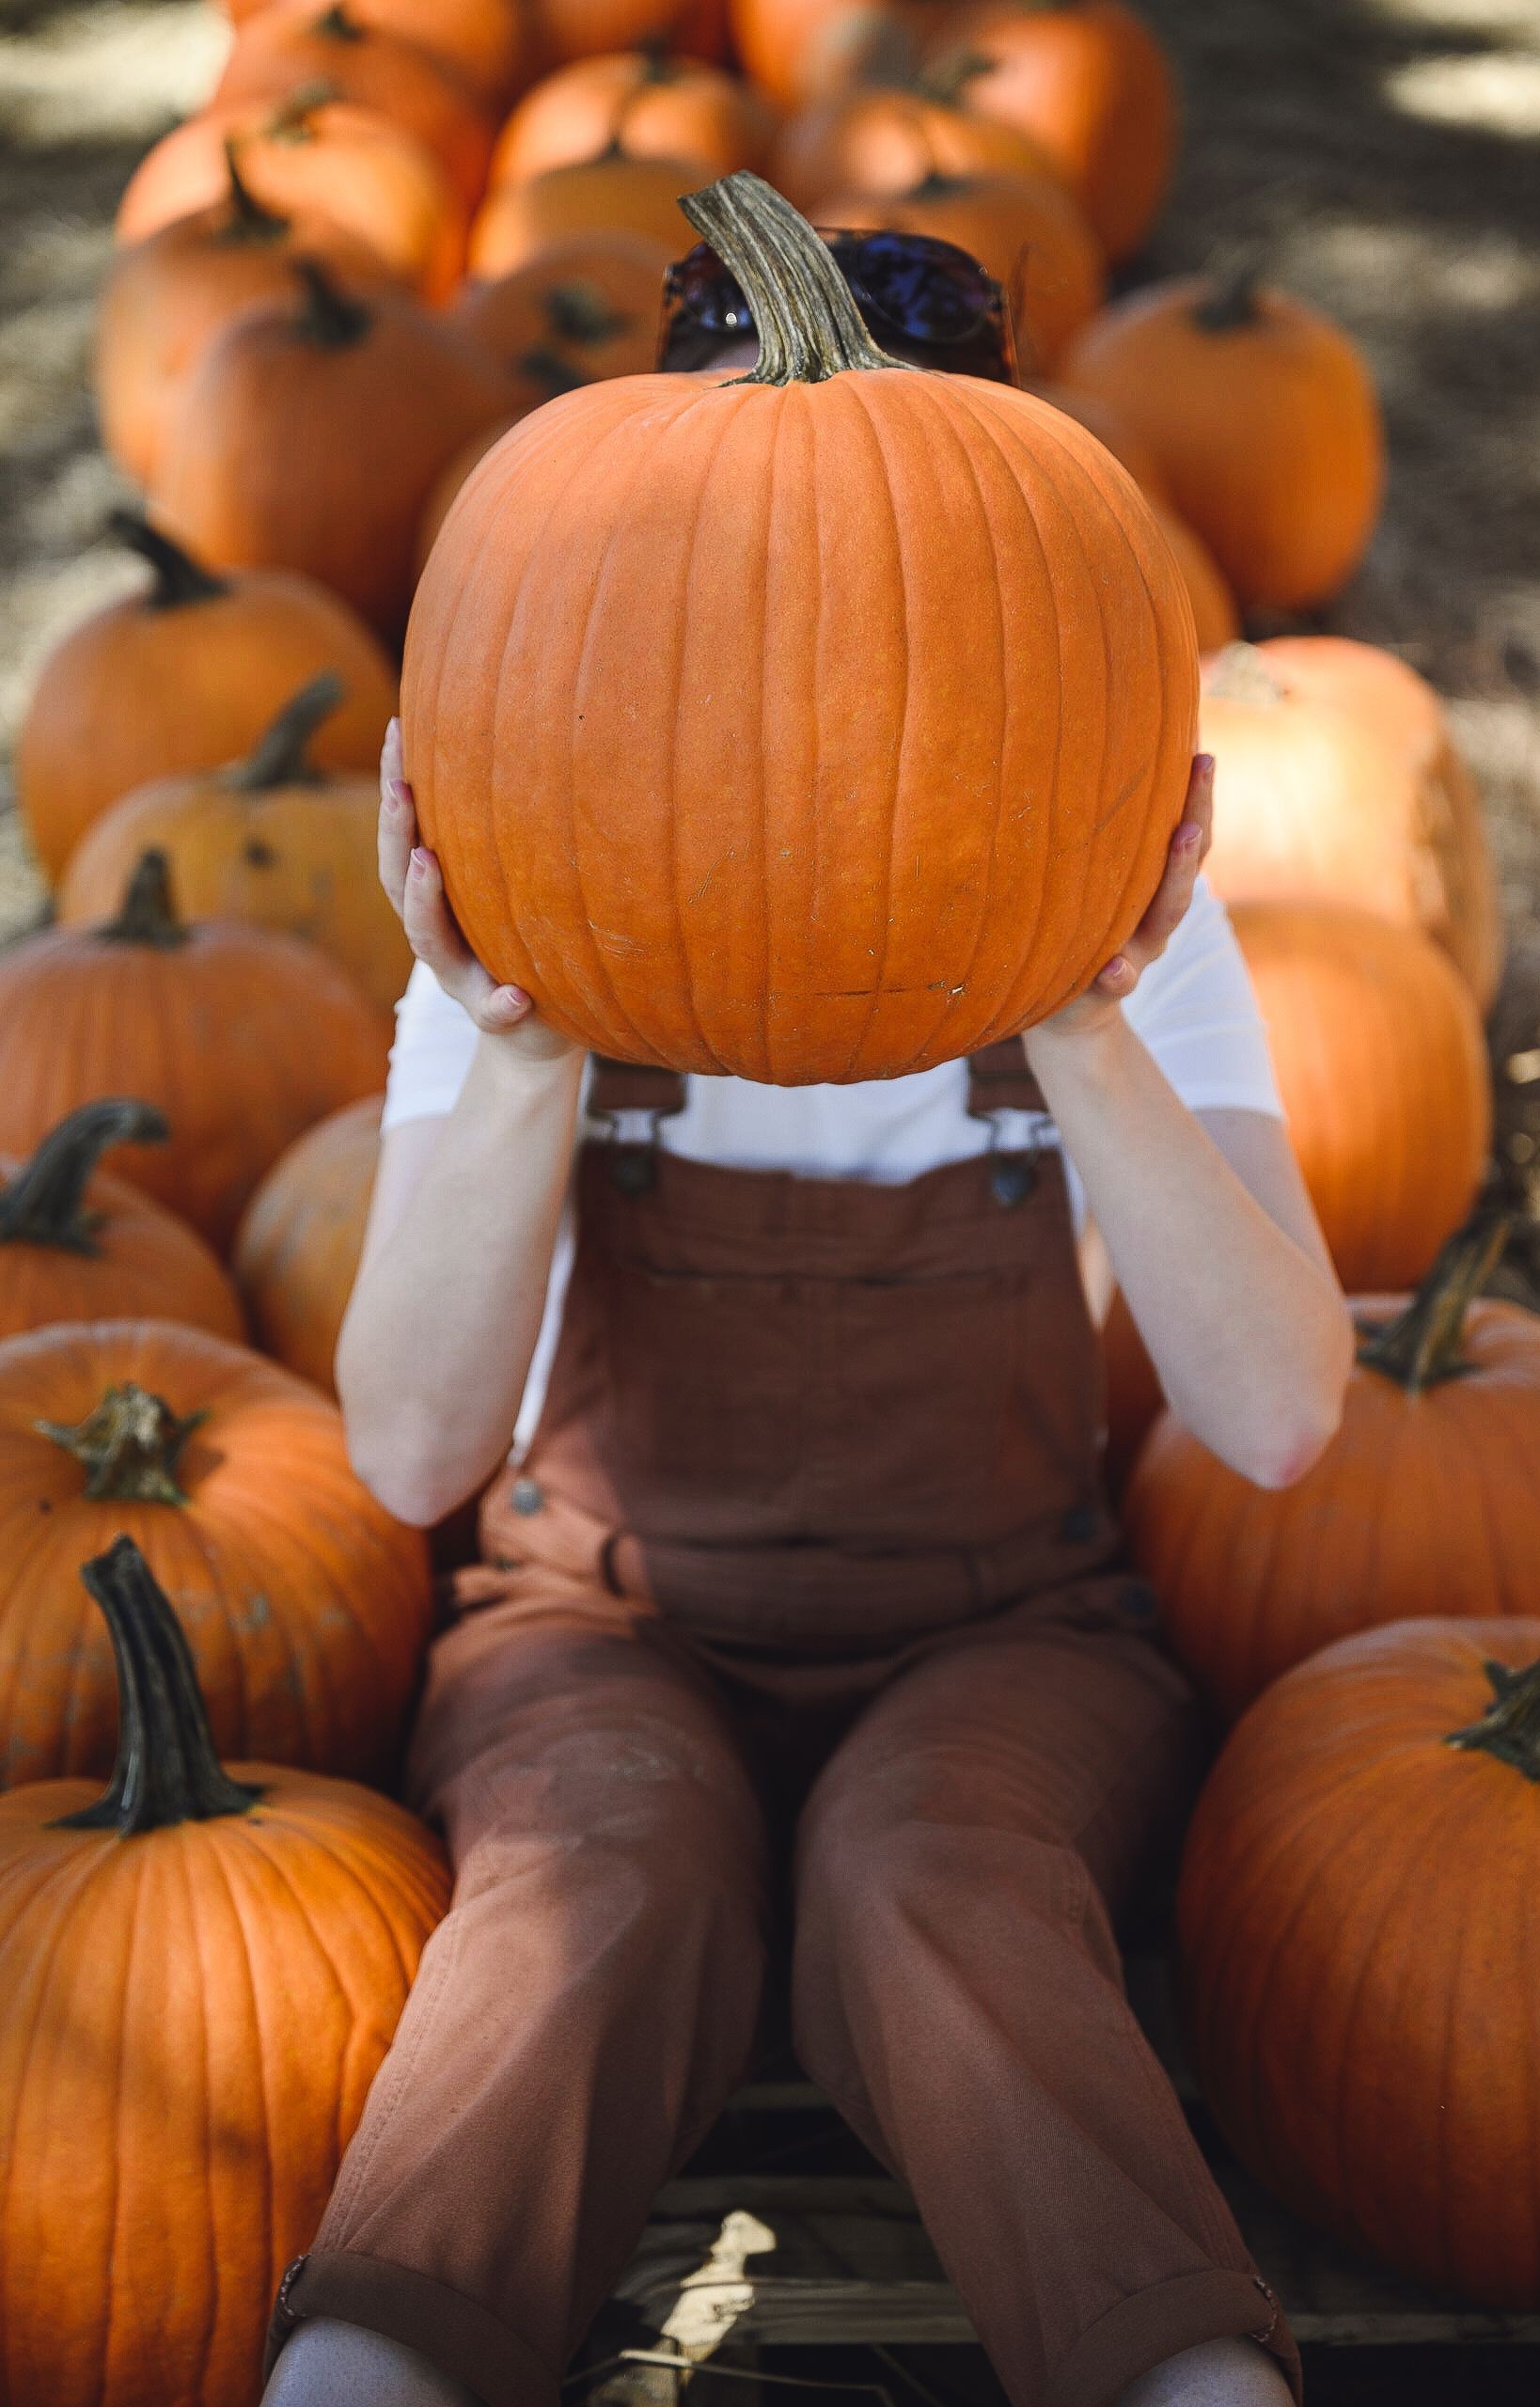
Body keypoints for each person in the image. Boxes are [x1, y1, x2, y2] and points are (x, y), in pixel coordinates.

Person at [261, 231, 1351, 2407]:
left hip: (1002, 1630)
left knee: (937, 1870)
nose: (809, 653)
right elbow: (403, 1453)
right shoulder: (540, 897)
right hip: (605, 1619)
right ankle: (375, 2363)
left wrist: (1079, 1005)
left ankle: (1181, 2374)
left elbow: (1283, 1417)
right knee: (594, 1870)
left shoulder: (1122, 911)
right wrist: (522, 1044)